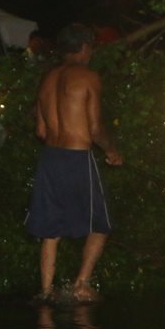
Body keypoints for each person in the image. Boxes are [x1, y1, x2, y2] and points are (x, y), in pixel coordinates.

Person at [26, 23, 122, 303]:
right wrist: (112, 150)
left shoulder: (47, 79)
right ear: (83, 47)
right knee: (100, 224)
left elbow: (41, 132)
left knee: (50, 230)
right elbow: (94, 128)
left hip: (50, 159)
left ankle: (46, 291)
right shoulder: (88, 77)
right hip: (78, 158)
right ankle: (81, 284)